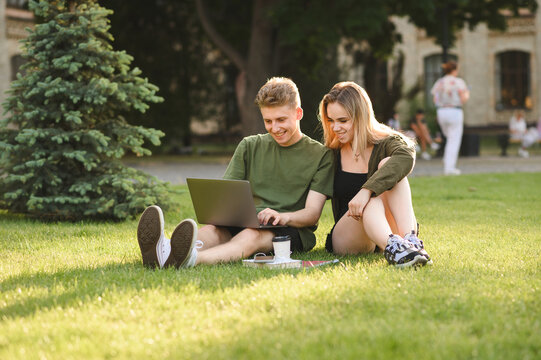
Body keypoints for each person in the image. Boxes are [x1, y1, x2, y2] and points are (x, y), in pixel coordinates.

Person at [136, 77, 334, 269]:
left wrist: (282, 217)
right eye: (268, 121)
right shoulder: (250, 145)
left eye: (281, 120)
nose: (275, 128)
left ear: (298, 113)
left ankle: (190, 260)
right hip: (246, 220)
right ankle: (165, 250)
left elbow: (312, 215)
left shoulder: (321, 155)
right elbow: (226, 196)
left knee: (251, 236)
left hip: (290, 229)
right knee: (213, 231)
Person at [319, 81, 430, 268]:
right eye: (331, 121)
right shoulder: (331, 153)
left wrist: (366, 190)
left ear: (361, 116)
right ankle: (397, 250)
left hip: (388, 229)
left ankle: (409, 243)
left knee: (388, 164)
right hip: (349, 236)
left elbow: (405, 157)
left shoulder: (387, 142)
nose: (335, 128)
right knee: (372, 200)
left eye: (343, 121)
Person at [431, 60, 470, 175]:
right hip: (455, 111)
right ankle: (449, 167)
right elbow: (463, 99)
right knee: (454, 139)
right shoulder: (458, 82)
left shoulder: (440, 82)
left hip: (442, 111)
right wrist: (467, 93)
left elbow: (435, 99)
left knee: (449, 138)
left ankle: (447, 159)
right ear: (455, 70)